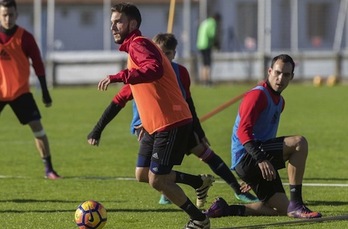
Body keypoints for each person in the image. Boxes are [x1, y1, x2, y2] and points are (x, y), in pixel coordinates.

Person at [87, 33, 258, 206]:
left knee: (205, 153)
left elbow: (188, 102)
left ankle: (236, 190)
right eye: (159, 52)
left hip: (180, 123)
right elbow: (117, 102)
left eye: (167, 53)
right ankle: (174, 190)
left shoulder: (181, 72)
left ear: (174, 54)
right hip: (153, 128)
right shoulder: (142, 74)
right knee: (146, 173)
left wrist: (199, 131)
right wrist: (97, 130)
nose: (163, 57)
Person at [97, 3, 211, 228]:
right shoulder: (135, 47)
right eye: (112, 22)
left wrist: (121, 75)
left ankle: (200, 219)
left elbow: (155, 68)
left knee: (157, 179)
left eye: (118, 22)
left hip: (171, 121)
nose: (113, 27)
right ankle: (198, 181)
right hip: (155, 125)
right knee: (142, 173)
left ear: (133, 24)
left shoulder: (139, 44)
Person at [204, 54, 322, 219]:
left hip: (253, 159)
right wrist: (259, 160)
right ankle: (298, 204)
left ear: (292, 77)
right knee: (299, 144)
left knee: (282, 210)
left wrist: (253, 174)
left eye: (286, 75)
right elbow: (243, 132)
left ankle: (226, 209)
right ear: (269, 71)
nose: (280, 78)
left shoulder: (280, 102)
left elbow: (266, 138)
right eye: (278, 73)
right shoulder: (257, 95)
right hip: (247, 156)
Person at [0, 0, 60, 180]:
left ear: (16, 15)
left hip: (20, 92)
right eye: (4, 15)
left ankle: (49, 169)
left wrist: (45, 92)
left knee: (37, 128)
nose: (8, 18)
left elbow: (38, 64)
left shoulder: (25, 37)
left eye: (11, 14)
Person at [196, 12, 221, 86]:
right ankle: (207, 81)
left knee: (204, 63)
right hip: (206, 44)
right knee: (208, 63)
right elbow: (212, 34)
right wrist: (216, 43)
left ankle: (203, 80)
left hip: (200, 44)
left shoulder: (205, 21)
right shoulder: (213, 23)